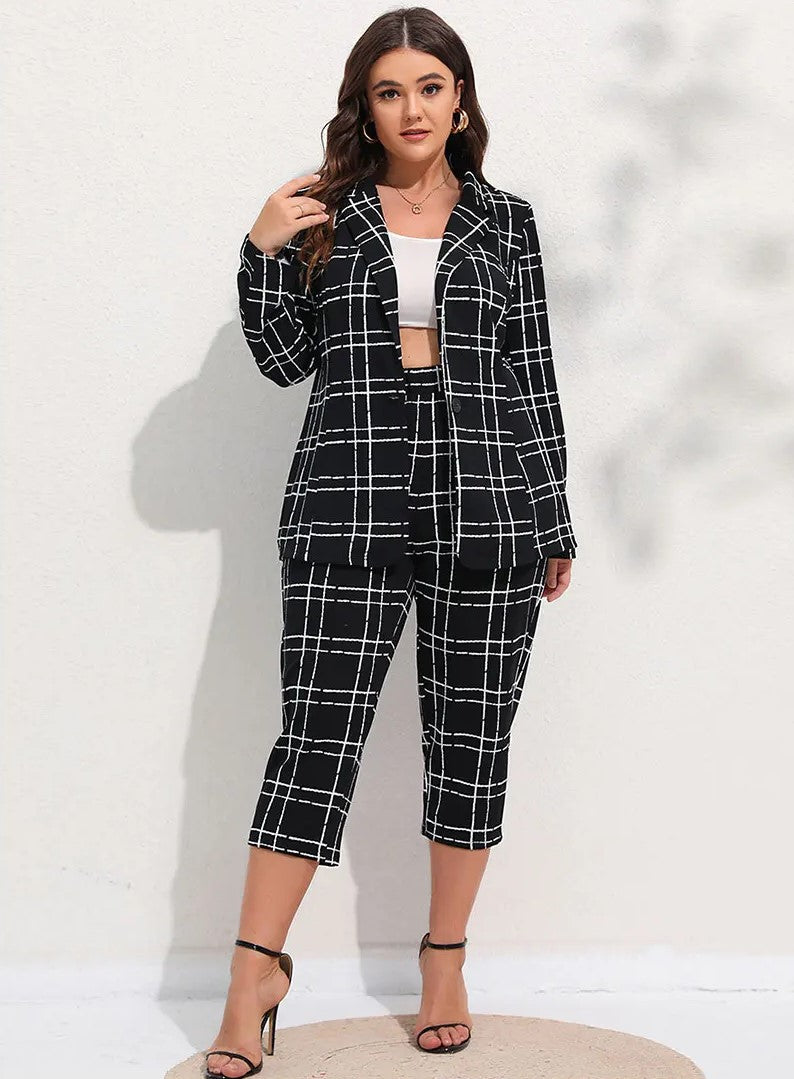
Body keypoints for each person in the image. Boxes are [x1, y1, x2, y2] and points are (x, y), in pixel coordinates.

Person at [205, 7, 578, 1077]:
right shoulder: (326, 213)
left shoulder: (506, 224)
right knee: (314, 740)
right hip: (347, 501)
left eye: (429, 86)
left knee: (471, 742)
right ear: (363, 107)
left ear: (459, 99)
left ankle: (443, 961)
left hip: (489, 504)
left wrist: (552, 514)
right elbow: (284, 359)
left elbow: (529, 374)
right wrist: (261, 248)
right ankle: (253, 974)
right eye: (387, 90)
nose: (410, 108)